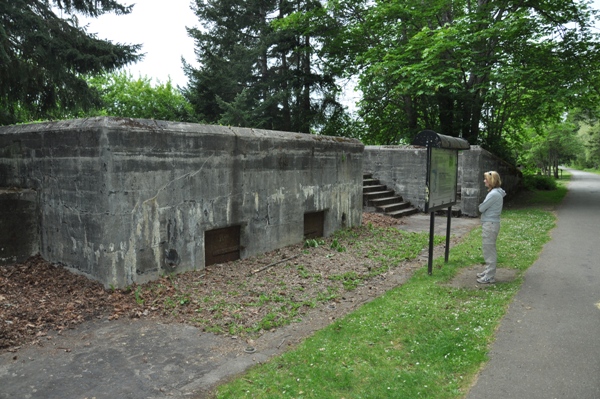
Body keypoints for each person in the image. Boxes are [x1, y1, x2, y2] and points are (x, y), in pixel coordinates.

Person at [476, 171, 506, 284]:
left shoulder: (493, 194)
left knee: (489, 249)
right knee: (488, 248)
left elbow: (481, 208)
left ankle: (489, 276)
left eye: (486, 179)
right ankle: (488, 271)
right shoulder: (496, 192)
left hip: (490, 224)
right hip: (491, 223)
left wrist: (481, 206)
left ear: (491, 181)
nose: (484, 181)